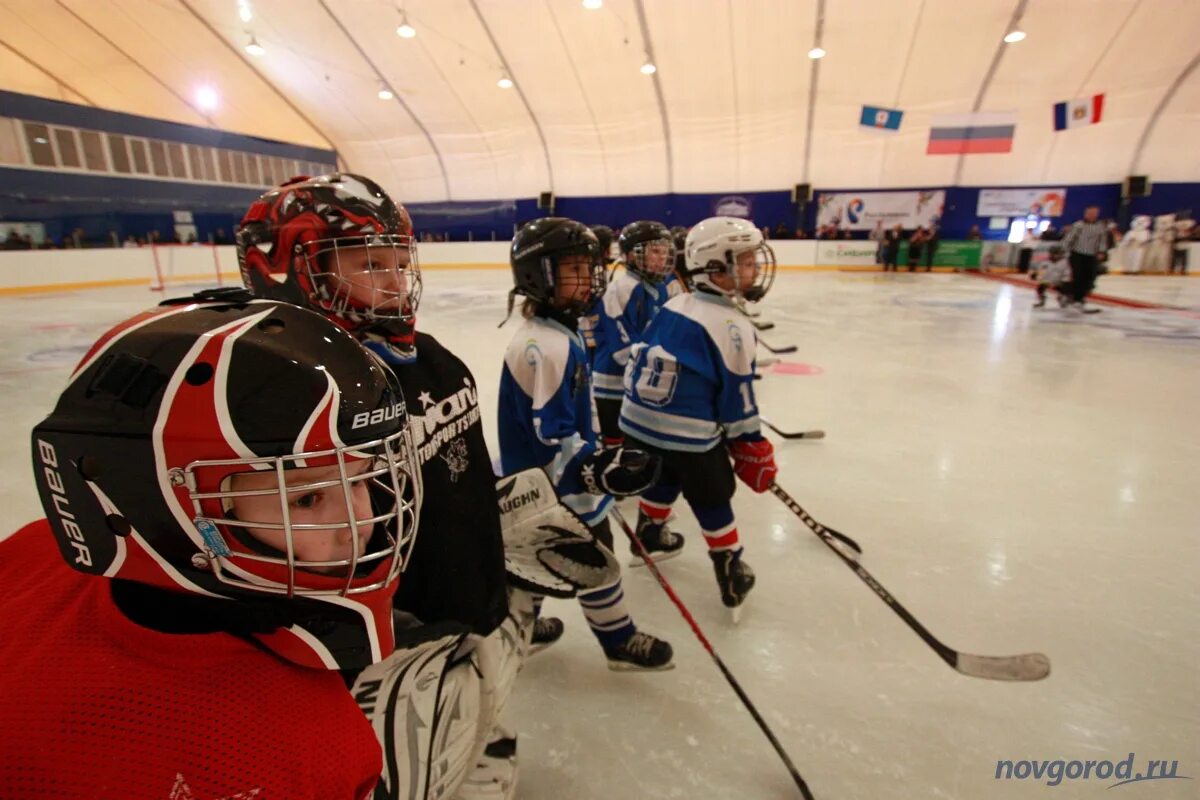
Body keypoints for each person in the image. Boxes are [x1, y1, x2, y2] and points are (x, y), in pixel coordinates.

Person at [0, 298, 422, 797]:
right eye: (307, 497)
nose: (359, 525)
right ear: (160, 501)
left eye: (361, 478)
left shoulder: (27, 554)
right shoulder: (309, 749)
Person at [498, 217, 674, 670]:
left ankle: (529, 632)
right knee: (589, 558)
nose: (588, 280)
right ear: (540, 275)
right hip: (552, 492)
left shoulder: (559, 331)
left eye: (588, 267)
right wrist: (597, 468)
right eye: (573, 269)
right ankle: (614, 641)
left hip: (554, 487)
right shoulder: (548, 346)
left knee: (548, 564)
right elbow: (551, 437)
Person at [619, 217, 778, 617]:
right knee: (712, 496)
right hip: (686, 435)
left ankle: (649, 533)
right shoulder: (733, 326)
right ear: (714, 268)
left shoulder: (676, 302)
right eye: (743, 261)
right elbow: (737, 402)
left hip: (636, 424)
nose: (754, 269)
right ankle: (730, 564)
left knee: (664, 475)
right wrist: (749, 446)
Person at [591, 220, 678, 447]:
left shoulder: (659, 287)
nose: (662, 257)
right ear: (631, 255)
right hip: (613, 385)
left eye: (665, 251)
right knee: (617, 445)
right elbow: (621, 350)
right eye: (654, 251)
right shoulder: (622, 289)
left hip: (639, 381)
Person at [1061, 205, 1108, 311]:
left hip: (1091, 255)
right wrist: (1064, 251)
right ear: (1086, 214)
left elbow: (1101, 240)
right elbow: (1069, 239)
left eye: (1094, 214)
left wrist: (1101, 251)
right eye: (1090, 213)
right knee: (1076, 276)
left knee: (1088, 277)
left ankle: (1080, 297)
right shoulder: (1078, 225)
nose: (1092, 216)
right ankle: (1071, 296)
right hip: (1077, 254)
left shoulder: (1100, 227)